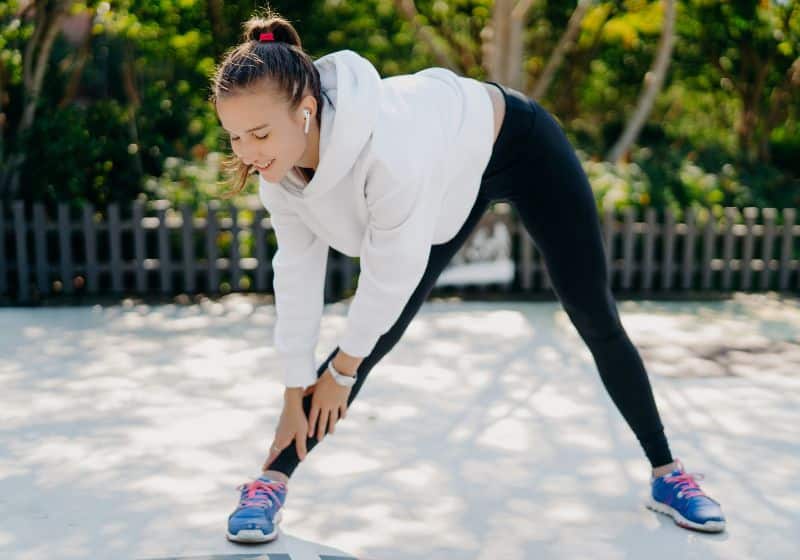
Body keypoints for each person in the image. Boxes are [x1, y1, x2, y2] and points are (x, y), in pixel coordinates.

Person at [211, 11, 726, 544]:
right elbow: (295, 274)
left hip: (517, 141)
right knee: (373, 338)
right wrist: (295, 388)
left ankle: (669, 475)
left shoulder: (387, 153)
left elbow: (389, 276)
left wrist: (340, 371)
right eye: (235, 137)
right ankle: (270, 480)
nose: (247, 152)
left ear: (305, 111)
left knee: (592, 312)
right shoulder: (275, 167)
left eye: (259, 133)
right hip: (451, 169)